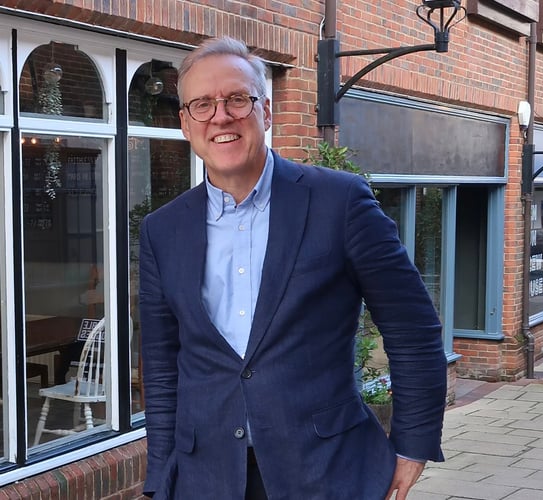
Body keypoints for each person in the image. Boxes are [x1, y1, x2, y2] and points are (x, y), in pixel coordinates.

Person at [138, 36, 447, 500]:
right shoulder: (162, 230)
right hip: (206, 479)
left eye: (237, 99)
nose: (220, 116)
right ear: (185, 123)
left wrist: (412, 445)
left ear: (265, 110)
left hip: (327, 472)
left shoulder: (340, 202)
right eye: (202, 104)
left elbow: (413, 329)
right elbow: (162, 368)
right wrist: (161, 478)